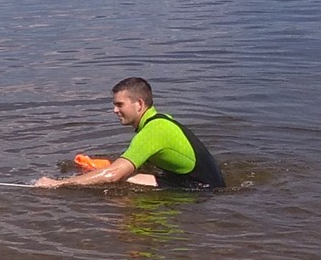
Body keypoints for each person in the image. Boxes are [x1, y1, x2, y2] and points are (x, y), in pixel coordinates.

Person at [34, 77, 226, 192]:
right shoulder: (160, 120)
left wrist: (58, 184)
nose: (115, 110)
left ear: (139, 104)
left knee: (118, 181)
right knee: (118, 175)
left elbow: (113, 175)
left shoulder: (153, 131)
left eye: (119, 105)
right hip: (192, 181)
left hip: (202, 192)